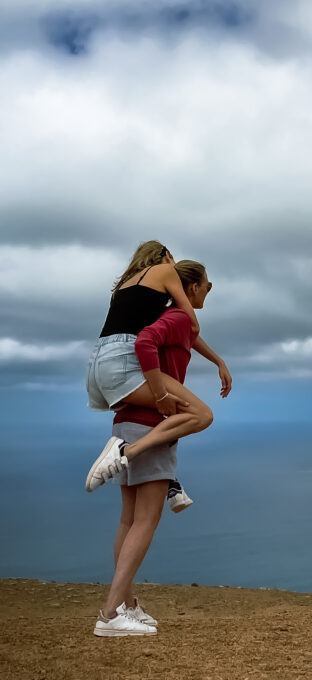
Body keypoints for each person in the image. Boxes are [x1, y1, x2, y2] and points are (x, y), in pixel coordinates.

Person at [86, 256, 231, 636]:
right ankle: (109, 614)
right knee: (145, 522)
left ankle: (126, 605)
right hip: (151, 428)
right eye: (206, 286)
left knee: (128, 521)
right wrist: (164, 394)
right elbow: (153, 342)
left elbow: (186, 336)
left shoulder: (167, 319)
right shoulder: (178, 318)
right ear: (193, 287)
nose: (207, 292)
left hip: (127, 421)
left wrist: (218, 361)